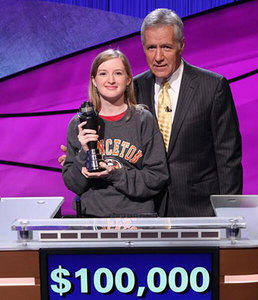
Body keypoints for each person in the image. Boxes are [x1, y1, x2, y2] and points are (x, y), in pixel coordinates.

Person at [59, 9, 243, 217]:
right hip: (143, 209)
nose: (158, 57)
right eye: (151, 48)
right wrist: (80, 155)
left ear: (181, 45)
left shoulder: (212, 87)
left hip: (196, 207)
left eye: (166, 47)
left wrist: (230, 214)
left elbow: (228, 157)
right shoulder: (131, 88)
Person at [62, 49, 169, 217]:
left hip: (137, 219)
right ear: (94, 81)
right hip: (92, 219)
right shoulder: (79, 123)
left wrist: (114, 174)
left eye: (118, 73)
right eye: (103, 74)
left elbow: (156, 177)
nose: (110, 80)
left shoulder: (143, 120)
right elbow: (73, 184)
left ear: (128, 80)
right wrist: (83, 153)